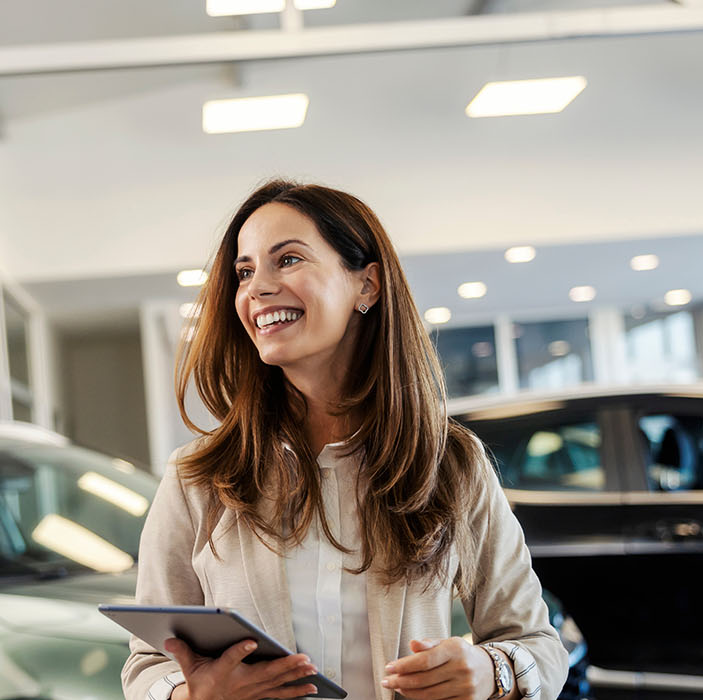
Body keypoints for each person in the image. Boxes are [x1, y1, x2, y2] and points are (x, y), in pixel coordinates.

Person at [122, 180, 568, 700]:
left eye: (287, 260)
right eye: (244, 272)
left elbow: (535, 642)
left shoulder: (450, 462)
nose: (256, 288)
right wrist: (193, 695)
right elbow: (147, 665)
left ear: (367, 286)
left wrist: (490, 670)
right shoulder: (197, 476)